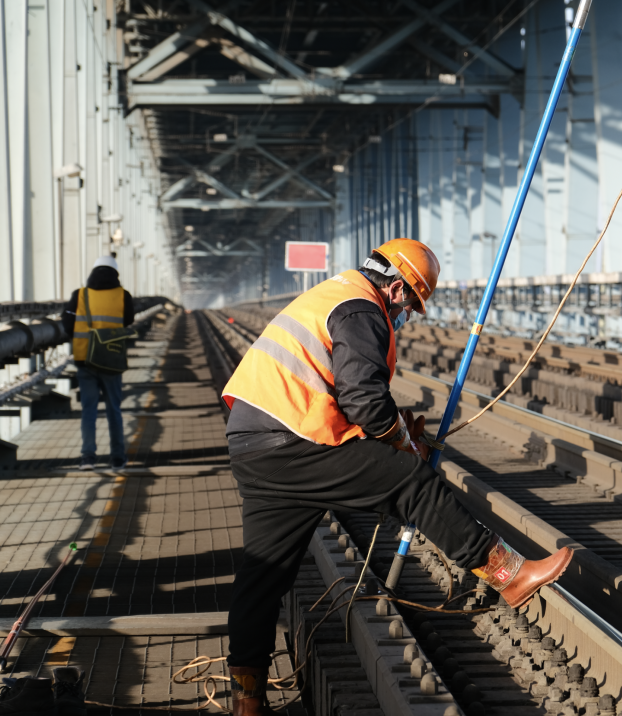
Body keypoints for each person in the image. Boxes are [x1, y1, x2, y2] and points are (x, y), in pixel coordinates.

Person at [221, 238, 572, 716]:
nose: (410, 313)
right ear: (396, 287)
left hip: (253, 445)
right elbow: (363, 399)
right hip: (294, 442)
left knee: (262, 576)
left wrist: (397, 427)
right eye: (413, 301)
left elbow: (332, 390)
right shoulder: (361, 309)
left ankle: (248, 701)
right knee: (409, 481)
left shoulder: (333, 293)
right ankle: (510, 575)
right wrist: (403, 444)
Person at [62, 256, 135, 470]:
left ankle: (88, 458)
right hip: (111, 359)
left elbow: (67, 323)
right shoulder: (123, 295)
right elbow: (128, 320)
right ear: (116, 273)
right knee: (114, 408)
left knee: (88, 410)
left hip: (85, 360)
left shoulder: (80, 294)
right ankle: (118, 459)